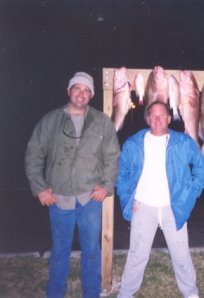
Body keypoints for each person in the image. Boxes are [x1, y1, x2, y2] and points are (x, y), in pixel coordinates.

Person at [24, 72, 121, 298]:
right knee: (59, 252)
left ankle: (91, 293)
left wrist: (106, 185)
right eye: (77, 88)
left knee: (92, 252)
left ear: (92, 95)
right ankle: (55, 293)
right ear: (68, 91)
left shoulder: (102, 122)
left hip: (90, 198)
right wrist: (39, 187)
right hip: (58, 199)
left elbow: (112, 156)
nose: (81, 93)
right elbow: (33, 155)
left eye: (86, 90)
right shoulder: (50, 121)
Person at [116, 101, 204, 298]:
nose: (158, 120)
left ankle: (191, 293)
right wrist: (127, 198)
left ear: (169, 118)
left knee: (181, 255)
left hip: (172, 207)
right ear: (148, 118)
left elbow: (202, 169)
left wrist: (190, 195)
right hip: (142, 206)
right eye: (153, 115)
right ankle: (125, 294)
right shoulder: (133, 142)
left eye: (162, 115)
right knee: (136, 255)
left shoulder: (183, 141)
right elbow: (121, 174)